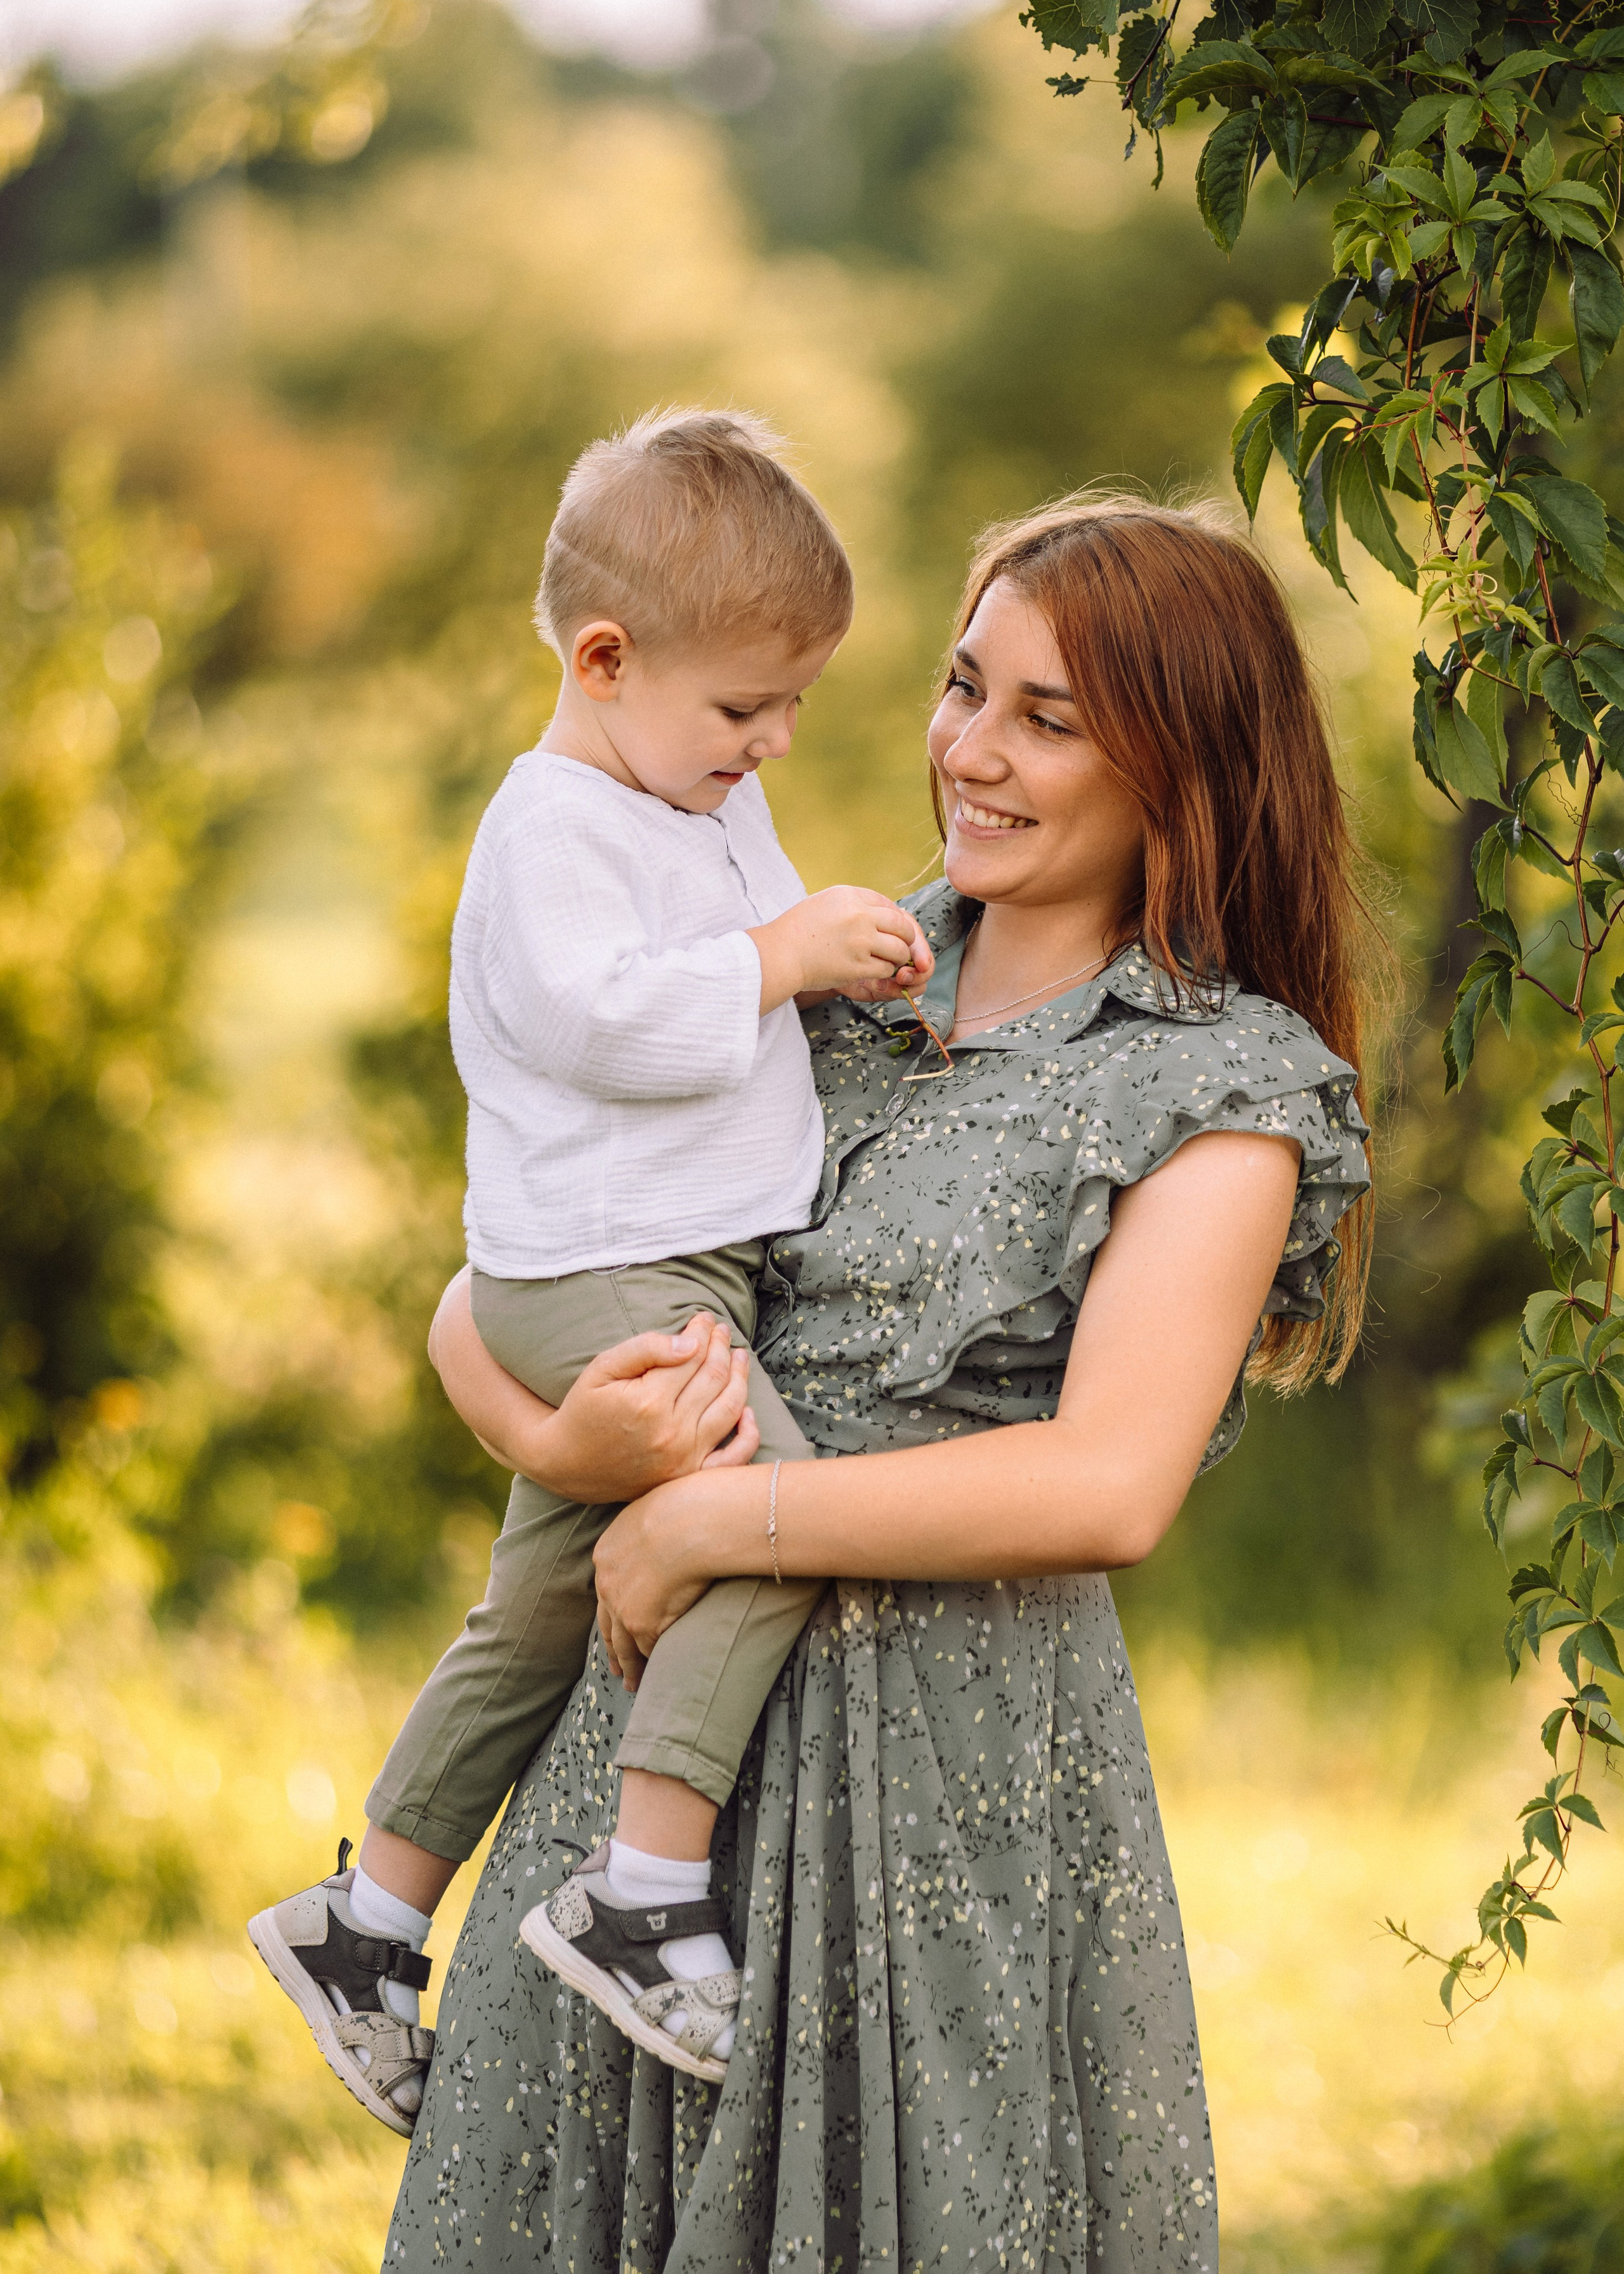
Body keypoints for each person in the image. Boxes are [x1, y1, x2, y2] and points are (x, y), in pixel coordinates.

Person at [382, 490, 1377, 2274]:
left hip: (948, 1766)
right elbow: (500, 1276)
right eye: (963, 686)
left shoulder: (1220, 1085)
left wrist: (711, 1522)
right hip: (643, 1786)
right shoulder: (825, 981)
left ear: (1180, 765)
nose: (969, 752)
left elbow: (1106, 1484)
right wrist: (567, 1439)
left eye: (1046, 719)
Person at [247, 408, 937, 2131]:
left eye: (795, 705)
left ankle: (367, 1917)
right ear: (607, 660)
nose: (774, 742)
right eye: (745, 708)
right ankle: (643, 1887)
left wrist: (833, 976)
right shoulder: (553, 825)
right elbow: (607, 1019)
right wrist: (780, 954)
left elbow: (746, 992)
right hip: (611, 1267)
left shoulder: (692, 795)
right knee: (768, 1524)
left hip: (654, 1260)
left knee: (536, 1613)